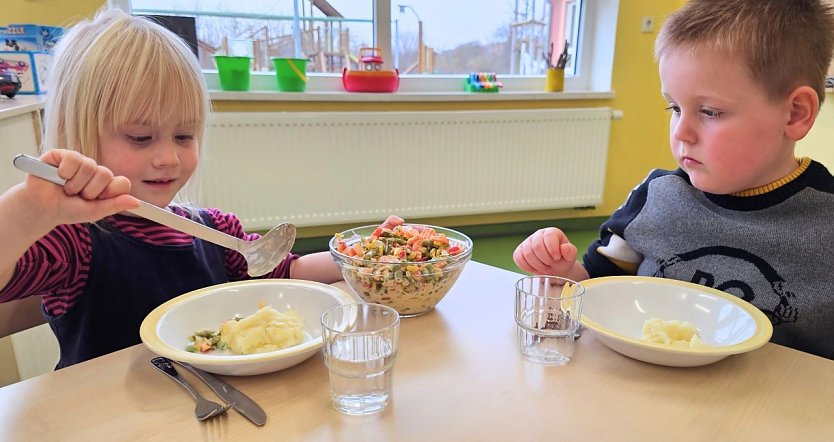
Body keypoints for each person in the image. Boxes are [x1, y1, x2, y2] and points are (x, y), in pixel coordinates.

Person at [0, 9, 348, 368]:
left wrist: (360, 255)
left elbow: (286, 271)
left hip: (213, 409)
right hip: (110, 418)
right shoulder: (72, 243)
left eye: (184, 136)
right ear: (79, 134)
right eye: (140, 138)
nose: (169, 157)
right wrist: (30, 208)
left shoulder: (216, 231)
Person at [513, 0, 834, 359]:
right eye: (674, 108)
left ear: (794, 114)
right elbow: (596, 288)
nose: (682, 132)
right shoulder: (657, 196)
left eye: (710, 112)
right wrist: (563, 271)